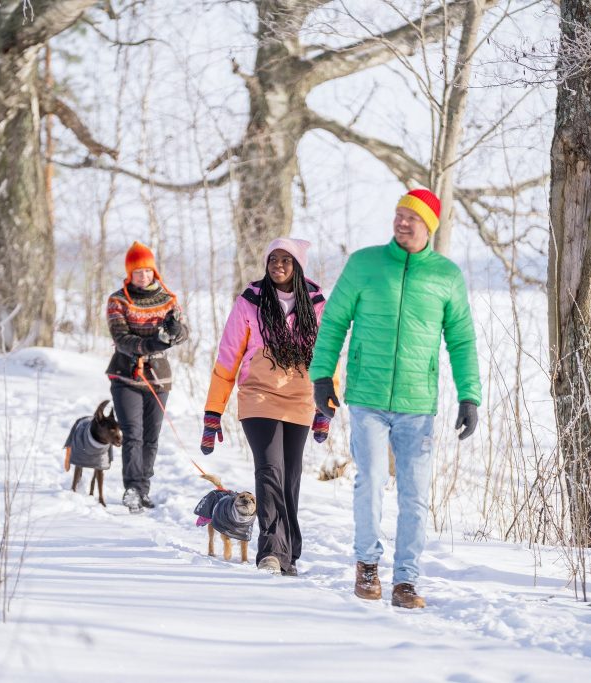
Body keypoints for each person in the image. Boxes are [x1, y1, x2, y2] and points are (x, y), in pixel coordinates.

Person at [308, 188, 481, 609]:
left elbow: (461, 340)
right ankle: (367, 564)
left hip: (417, 404)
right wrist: (321, 378)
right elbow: (333, 323)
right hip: (367, 396)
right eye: (399, 214)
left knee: (415, 494)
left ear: (430, 228)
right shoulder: (365, 264)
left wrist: (469, 396)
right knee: (370, 482)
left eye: (412, 218)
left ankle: (406, 579)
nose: (402, 222)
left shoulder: (446, 276)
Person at [202, 237, 331, 575]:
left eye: (286, 260)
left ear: (298, 265)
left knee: (290, 476)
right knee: (269, 470)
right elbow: (228, 358)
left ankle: (288, 551)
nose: (278, 265)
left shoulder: (317, 304)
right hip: (258, 395)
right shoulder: (249, 302)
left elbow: (327, 358)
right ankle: (270, 552)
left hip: (301, 397)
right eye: (272, 259)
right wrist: (213, 413)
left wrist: (323, 407)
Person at [106, 241, 188, 513]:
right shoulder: (118, 300)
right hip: (126, 374)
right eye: (137, 272)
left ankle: (143, 488)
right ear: (130, 274)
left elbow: (182, 333)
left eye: (147, 271)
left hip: (158, 377)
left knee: (151, 436)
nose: (143, 276)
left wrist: (175, 332)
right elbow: (122, 339)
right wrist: (156, 343)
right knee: (133, 434)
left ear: (155, 272)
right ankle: (131, 489)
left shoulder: (168, 299)